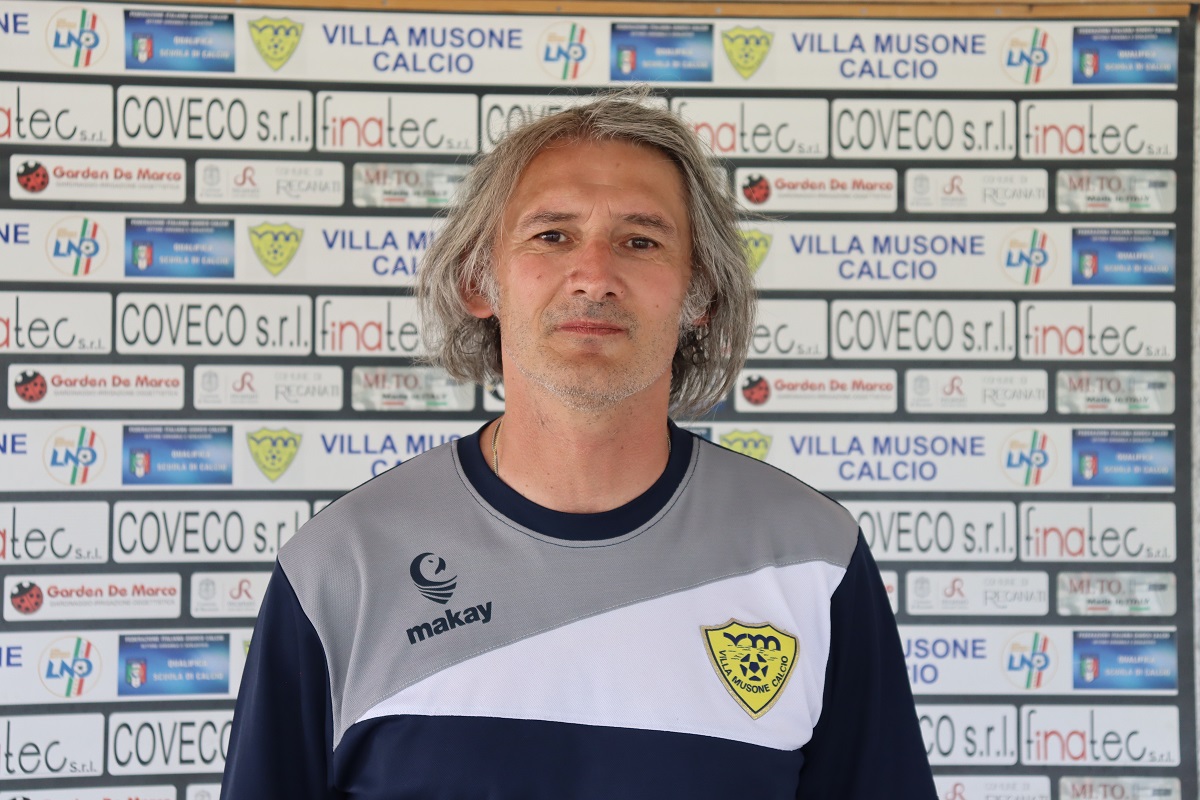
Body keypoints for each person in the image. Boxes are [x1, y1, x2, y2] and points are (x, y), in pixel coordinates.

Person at [221, 89, 936, 799]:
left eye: (640, 241)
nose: (594, 276)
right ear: (478, 280)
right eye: (552, 235)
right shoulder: (339, 568)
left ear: (701, 295)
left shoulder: (813, 560)